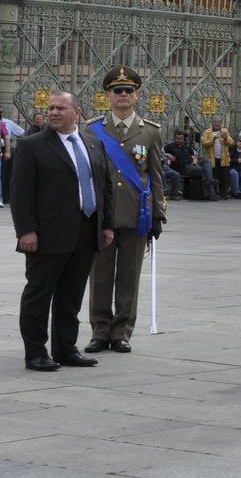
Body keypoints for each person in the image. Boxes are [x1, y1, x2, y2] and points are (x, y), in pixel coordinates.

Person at [12, 91, 117, 371]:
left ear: (77, 112)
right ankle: (35, 352)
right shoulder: (32, 145)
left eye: (60, 108)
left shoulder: (93, 144)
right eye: (50, 108)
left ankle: (65, 348)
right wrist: (26, 231)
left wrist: (107, 225)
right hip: (47, 234)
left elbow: (104, 187)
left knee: (71, 295)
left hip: (86, 230)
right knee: (39, 294)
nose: (54, 113)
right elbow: (21, 193)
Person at [85, 67, 167, 354]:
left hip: (136, 215)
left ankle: (122, 332)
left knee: (129, 276)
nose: (123, 95)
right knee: (100, 275)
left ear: (137, 95)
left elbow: (155, 175)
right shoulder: (92, 129)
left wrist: (158, 214)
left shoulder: (150, 132)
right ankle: (99, 331)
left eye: (128, 91)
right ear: (107, 95)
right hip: (102, 217)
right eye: (117, 90)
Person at [162, 130, 191, 199]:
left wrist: (194, 159)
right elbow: (162, 153)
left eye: (181, 139)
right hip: (173, 166)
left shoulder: (186, 147)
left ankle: (174, 194)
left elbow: (192, 155)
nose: (179, 140)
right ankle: (163, 194)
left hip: (186, 165)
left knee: (177, 175)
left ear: (183, 139)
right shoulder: (169, 146)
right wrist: (168, 154)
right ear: (175, 138)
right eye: (177, 139)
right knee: (163, 174)